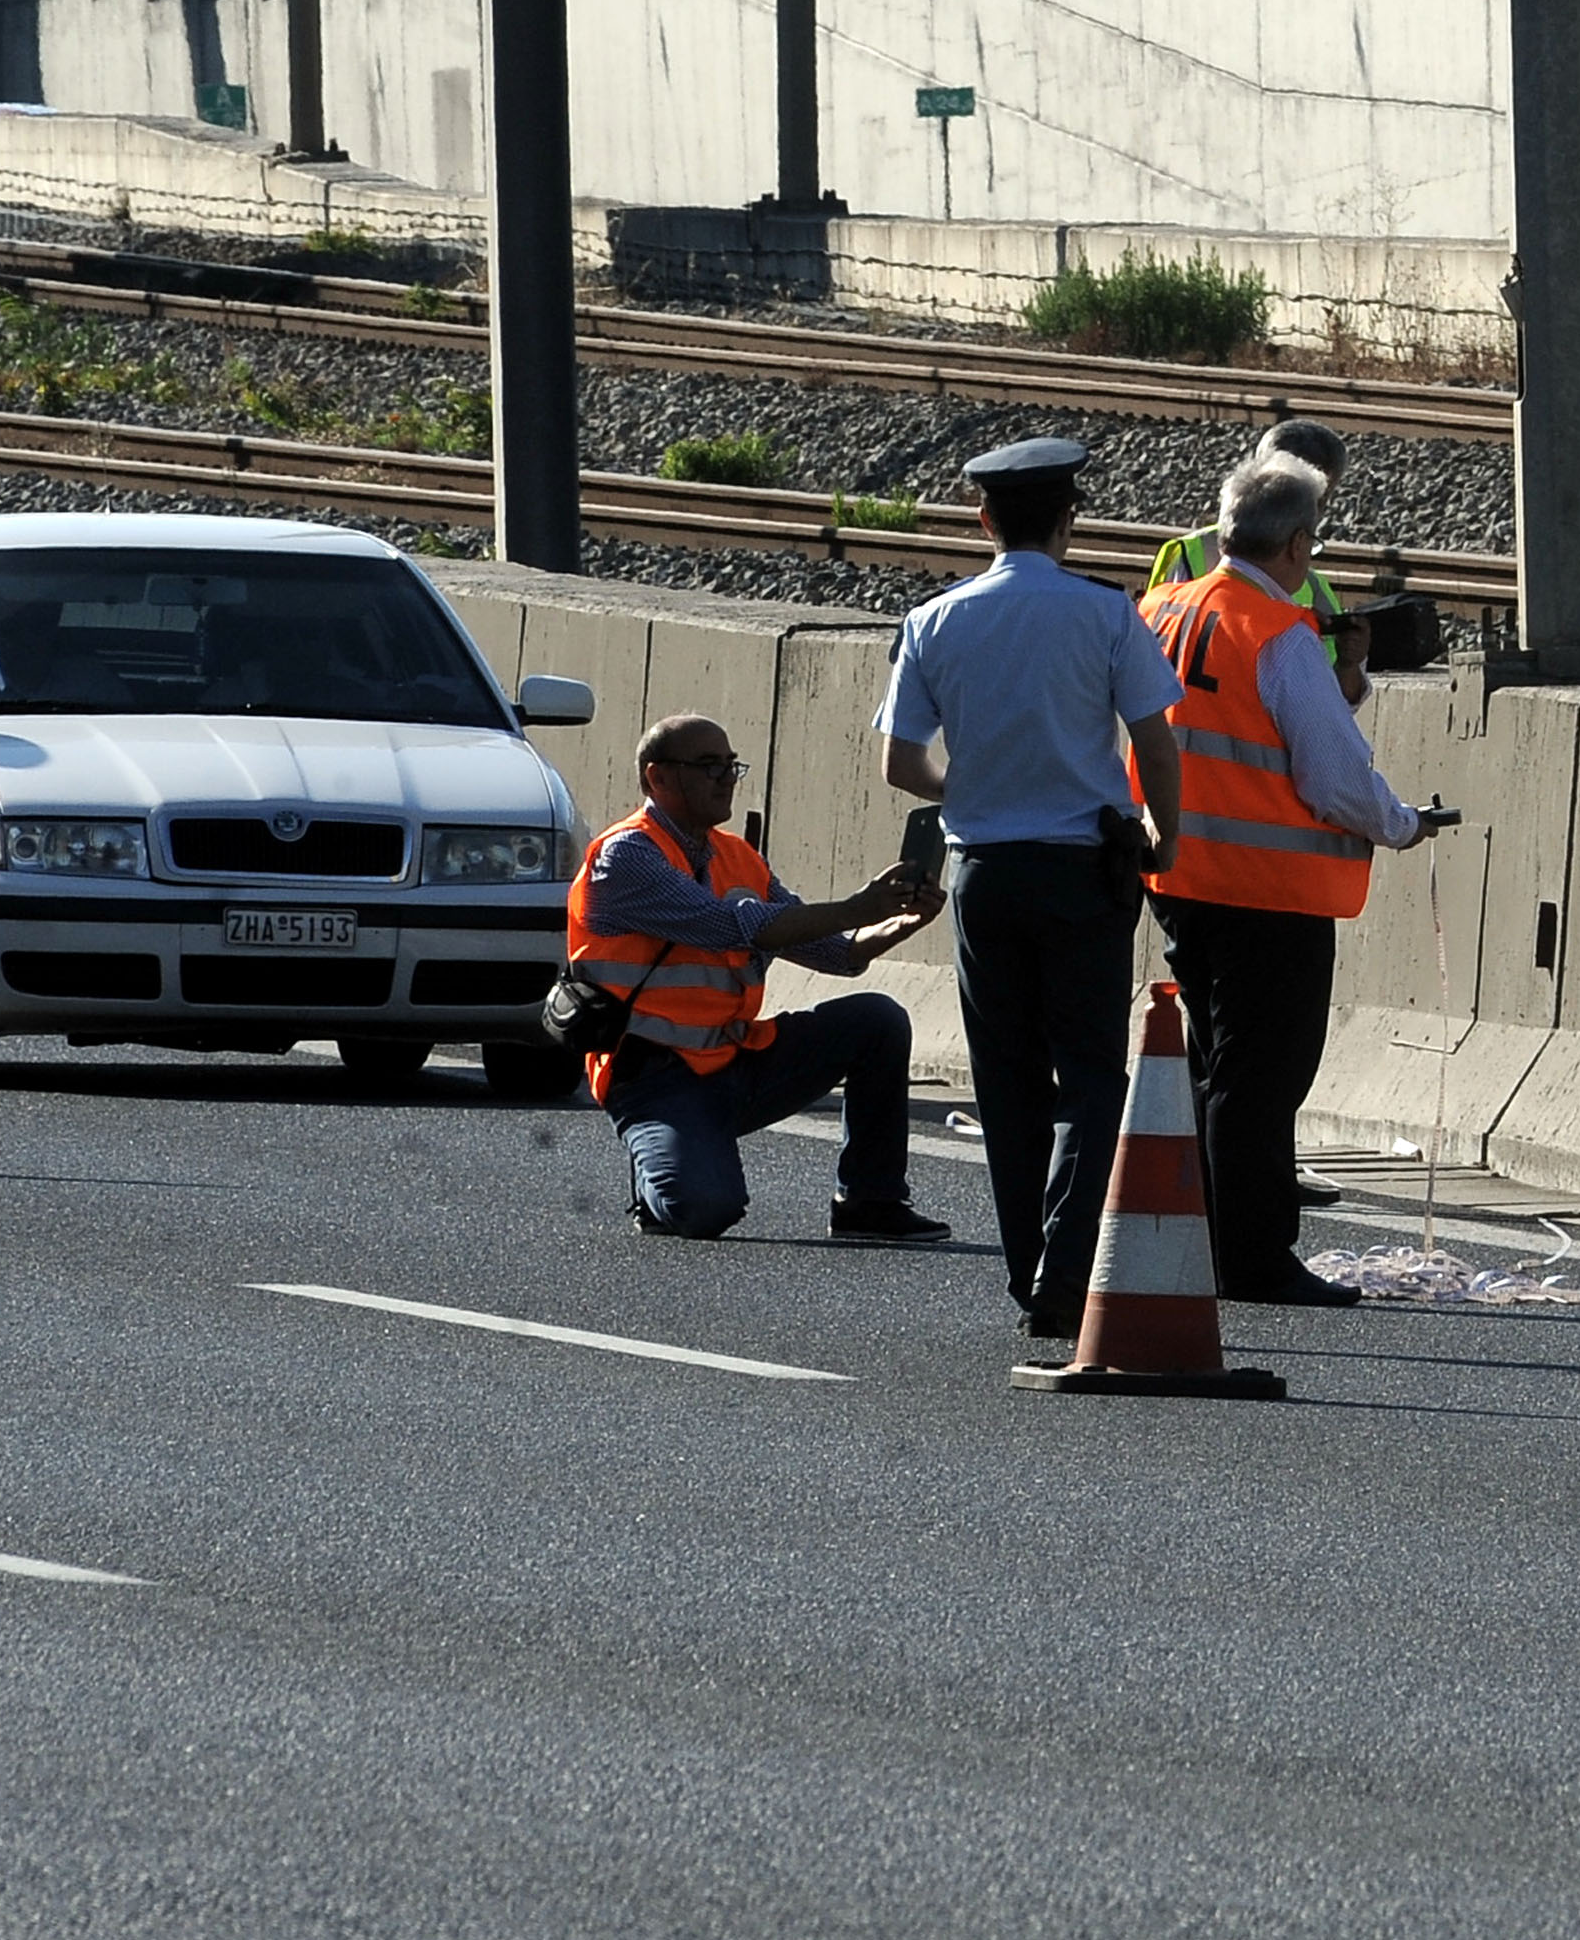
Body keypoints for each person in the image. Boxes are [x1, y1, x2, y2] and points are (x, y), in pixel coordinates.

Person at [879, 436, 1186, 1339]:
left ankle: (1028, 1278)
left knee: (1005, 1079)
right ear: (1068, 519)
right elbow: (1155, 743)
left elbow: (902, 764)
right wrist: (1162, 838)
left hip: (985, 873)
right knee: (1090, 1074)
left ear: (982, 519)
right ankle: (1067, 1260)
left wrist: (972, 788)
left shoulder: (934, 620)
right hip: (1084, 869)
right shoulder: (1103, 614)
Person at [1136, 452, 1443, 1308]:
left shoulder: (1164, 607)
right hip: (1267, 888)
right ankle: (1256, 1256)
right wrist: (1402, 823)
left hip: (1176, 873)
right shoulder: (1276, 634)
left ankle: (1207, 1237)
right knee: (1260, 1079)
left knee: (1215, 1066)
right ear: (1299, 544)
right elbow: (1333, 774)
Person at [569, 714, 952, 1244]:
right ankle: (657, 1175)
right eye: (709, 767)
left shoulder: (738, 856)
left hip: (736, 1060)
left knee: (876, 1020)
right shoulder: (627, 856)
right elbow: (731, 926)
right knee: (704, 1211)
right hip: (656, 1076)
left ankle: (870, 1201)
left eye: (730, 766)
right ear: (658, 779)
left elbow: (836, 955)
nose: (726, 778)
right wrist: (855, 906)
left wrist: (895, 924)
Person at [1145, 418, 1369, 706]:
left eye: (1321, 499)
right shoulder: (1192, 555)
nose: (1315, 510)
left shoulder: (1315, 588)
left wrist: (1350, 665)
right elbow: (1153, 658)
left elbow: (1334, 702)